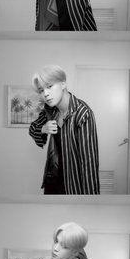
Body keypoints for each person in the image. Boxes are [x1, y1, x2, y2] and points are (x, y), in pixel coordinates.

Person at [28, 66, 100, 195]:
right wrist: (43, 128)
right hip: (51, 182)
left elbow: (89, 165)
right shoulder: (50, 110)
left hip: (73, 187)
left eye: (49, 86)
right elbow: (32, 128)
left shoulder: (83, 114)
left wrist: (90, 201)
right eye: (41, 90)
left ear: (63, 84)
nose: (45, 94)